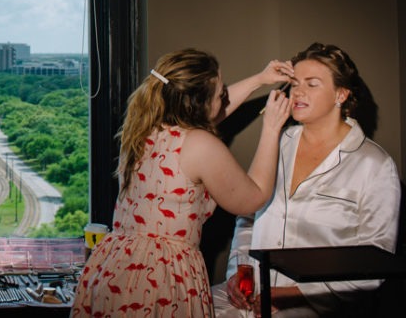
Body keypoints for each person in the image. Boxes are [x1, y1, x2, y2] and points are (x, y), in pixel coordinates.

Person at [72, 49, 292, 317]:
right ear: (199, 103)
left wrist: (261, 78)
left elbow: (210, 113)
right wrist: (271, 127)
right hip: (161, 276)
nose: (224, 98)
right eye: (220, 93)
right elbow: (253, 197)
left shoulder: (143, 127)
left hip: (115, 268)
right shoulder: (200, 144)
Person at [213, 43, 401, 317]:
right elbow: (248, 218)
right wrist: (240, 275)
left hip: (318, 306)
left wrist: (292, 294)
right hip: (250, 295)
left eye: (312, 84)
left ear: (341, 94)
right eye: (295, 83)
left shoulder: (374, 165)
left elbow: (374, 264)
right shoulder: (276, 143)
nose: (298, 92)